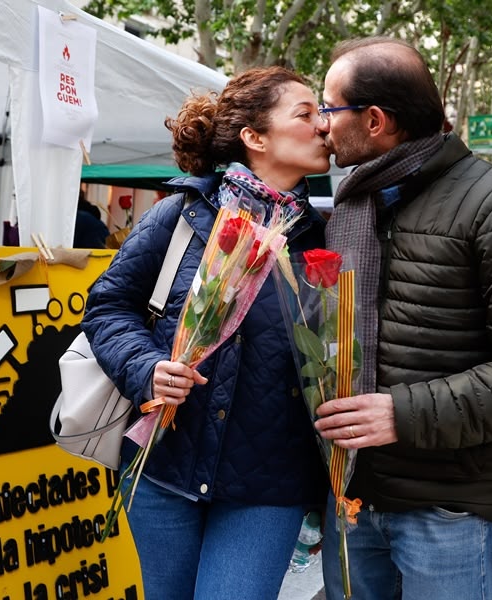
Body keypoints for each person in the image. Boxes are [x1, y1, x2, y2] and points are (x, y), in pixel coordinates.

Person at [312, 38, 492, 599]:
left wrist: (400, 414)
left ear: (376, 120)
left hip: (448, 509)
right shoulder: (353, 205)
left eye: (329, 108)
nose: (320, 125)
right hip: (351, 493)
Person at [80, 66, 331, 599]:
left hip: (270, 480)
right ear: (255, 137)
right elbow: (108, 305)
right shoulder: (182, 215)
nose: (324, 126)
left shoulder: (327, 236)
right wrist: (146, 367)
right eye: (306, 114)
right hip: (164, 464)